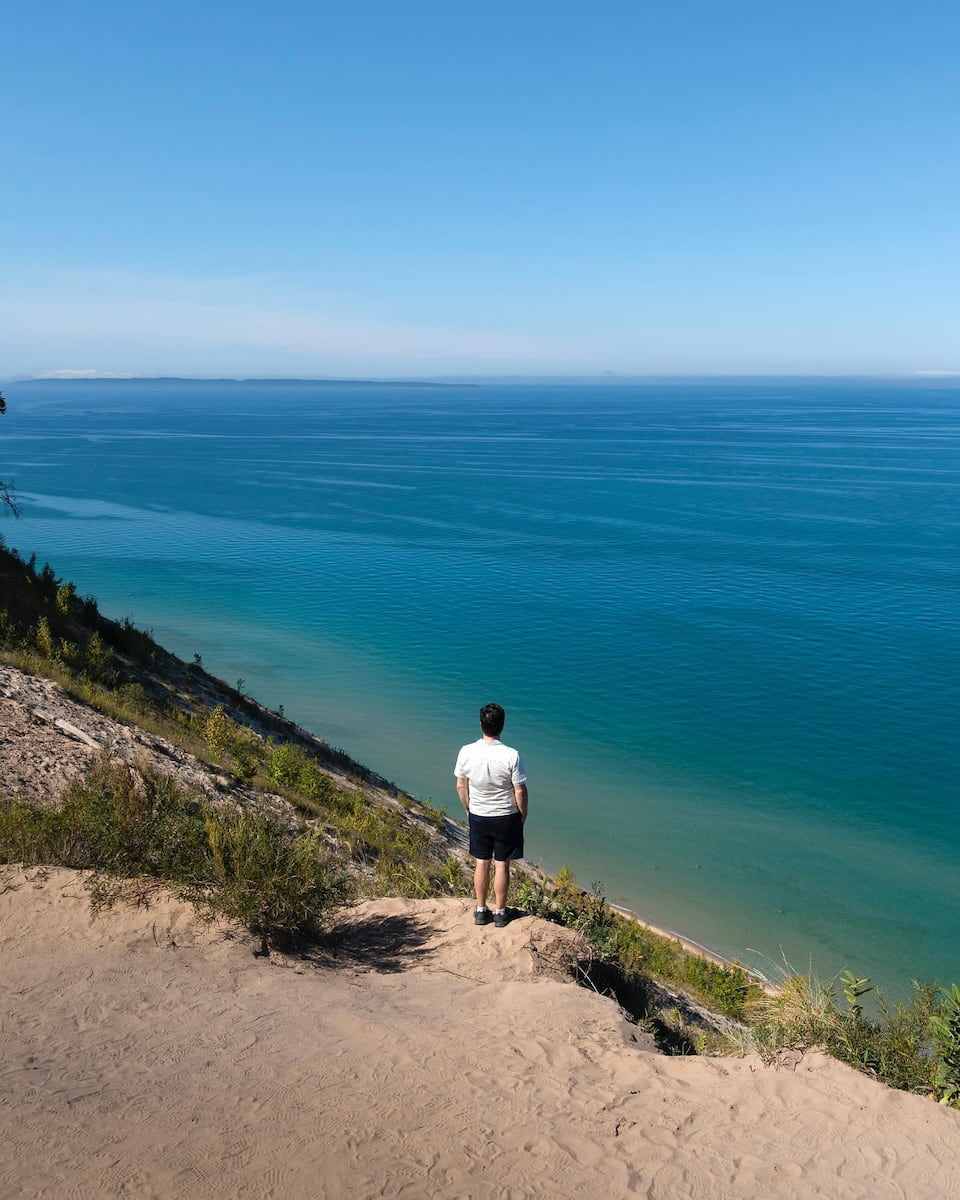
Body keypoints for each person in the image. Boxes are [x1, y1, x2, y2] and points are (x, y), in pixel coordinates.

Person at [454, 702, 528, 928]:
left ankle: (480, 909)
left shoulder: (466, 751)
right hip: (505, 815)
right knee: (502, 864)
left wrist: (468, 807)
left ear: (480, 724)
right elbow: (519, 790)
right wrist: (521, 816)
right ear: (502, 726)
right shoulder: (511, 755)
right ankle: (500, 912)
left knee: (481, 862)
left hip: (479, 814)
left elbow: (460, 785)